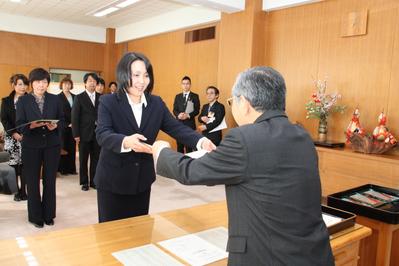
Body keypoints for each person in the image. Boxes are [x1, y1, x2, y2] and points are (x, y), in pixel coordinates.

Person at [152, 66, 334, 265]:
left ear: (245, 103)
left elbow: (191, 172)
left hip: (266, 257)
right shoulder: (302, 136)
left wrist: (161, 151)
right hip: (313, 253)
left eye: (232, 101)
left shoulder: (243, 138)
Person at [95, 52, 215, 223]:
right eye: (136, 75)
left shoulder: (156, 103)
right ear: (124, 75)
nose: (141, 81)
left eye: (146, 75)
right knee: (110, 237)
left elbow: (176, 127)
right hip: (113, 181)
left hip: (142, 180)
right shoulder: (109, 102)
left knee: (140, 233)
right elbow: (103, 134)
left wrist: (200, 141)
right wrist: (126, 141)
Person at [16, 68, 64, 228]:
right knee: (32, 181)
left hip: (52, 145)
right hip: (31, 145)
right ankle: (35, 216)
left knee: (50, 181)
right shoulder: (23, 101)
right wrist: (31, 126)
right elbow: (20, 123)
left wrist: (55, 127)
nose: (41, 85)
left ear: (48, 84)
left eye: (44, 82)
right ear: (32, 83)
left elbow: (63, 121)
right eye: (37, 82)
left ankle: (49, 214)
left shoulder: (55, 99)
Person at [1, 74, 28, 201]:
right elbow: (4, 120)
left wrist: (24, 133)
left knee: (25, 165)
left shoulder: (31, 100)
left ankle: (23, 191)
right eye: (20, 84)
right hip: (12, 138)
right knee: (14, 165)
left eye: (25, 84)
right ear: (13, 85)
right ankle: (15, 190)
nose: (23, 87)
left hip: (27, 137)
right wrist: (14, 133)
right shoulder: (6, 101)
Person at [71, 73, 101, 191]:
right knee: (83, 159)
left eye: (94, 81)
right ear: (85, 83)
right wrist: (76, 134)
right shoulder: (79, 97)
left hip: (98, 134)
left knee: (96, 158)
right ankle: (84, 182)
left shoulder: (101, 97)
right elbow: (75, 117)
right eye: (89, 81)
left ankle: (94, 181)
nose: (92, 83)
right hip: (83, 133)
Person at [173, 76, 200, 153]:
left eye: (187, 84)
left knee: (189, 147)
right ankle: (179, 164)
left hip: (190, 125)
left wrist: (188, 115)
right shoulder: (177, 96)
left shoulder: (195, 96)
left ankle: (188, 164)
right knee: (179, 147)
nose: (185, 85)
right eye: (184, 84)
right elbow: (175, 109)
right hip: (179, 125)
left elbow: (197, 110)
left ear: (190, 85)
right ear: (181, 85)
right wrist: (178, 115)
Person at [57, 77, 77, 175]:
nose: (67, 86)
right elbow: (57, 113)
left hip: (73, 126)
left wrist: (74, 123)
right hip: (63, 126)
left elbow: (77, 112)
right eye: (65, 84)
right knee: (63, 147)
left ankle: (71, 169)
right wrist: (67, 124)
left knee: (72, 147)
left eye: (69, 84)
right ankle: (63, 169)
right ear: (61, 85)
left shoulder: (75, 96)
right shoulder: (57, 97)